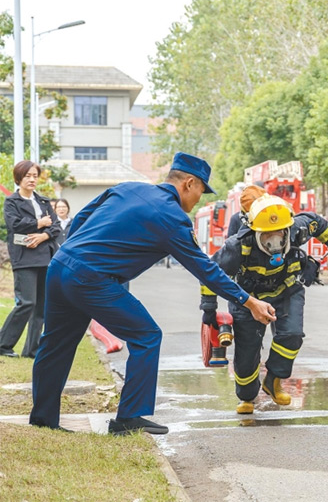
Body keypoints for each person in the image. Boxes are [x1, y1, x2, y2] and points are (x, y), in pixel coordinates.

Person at [29, 152, 277, 435]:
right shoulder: (172, 219)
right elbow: (206, 269)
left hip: (60, 266)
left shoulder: (127, 187)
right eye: (201, 191)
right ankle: (129, 417)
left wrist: (76, 253)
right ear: (189, 183)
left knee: (55, 344)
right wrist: (249, 301)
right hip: (91, 279)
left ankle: (43, 419)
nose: (200, 199)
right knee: (147, 335)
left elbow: (82, 217)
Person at [200, 194, 328, 414]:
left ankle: (273, 380)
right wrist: (209, 309)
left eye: (279, 232)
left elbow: (318, 224)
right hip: (248, 299)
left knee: (292, 335)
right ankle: (247, 396)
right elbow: (210, 274)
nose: (274, 239)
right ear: (255, 231)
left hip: (286, 290)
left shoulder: (297, 228)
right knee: (247, 350)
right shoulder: (238, 246)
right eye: (267, 234)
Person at [0, 161, 60, 359]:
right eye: (28, 176)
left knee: (41, 306)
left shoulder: (43, 202)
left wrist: (43, 235)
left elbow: (56, 226)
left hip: (45, 257)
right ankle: (3, 344)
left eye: (35, 175)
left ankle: (32, 350)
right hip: (24, 258)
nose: (32, 179)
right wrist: (38, 223)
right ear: (19, 178)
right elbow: (14, 224)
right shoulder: (12, 202)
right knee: (26, 303)